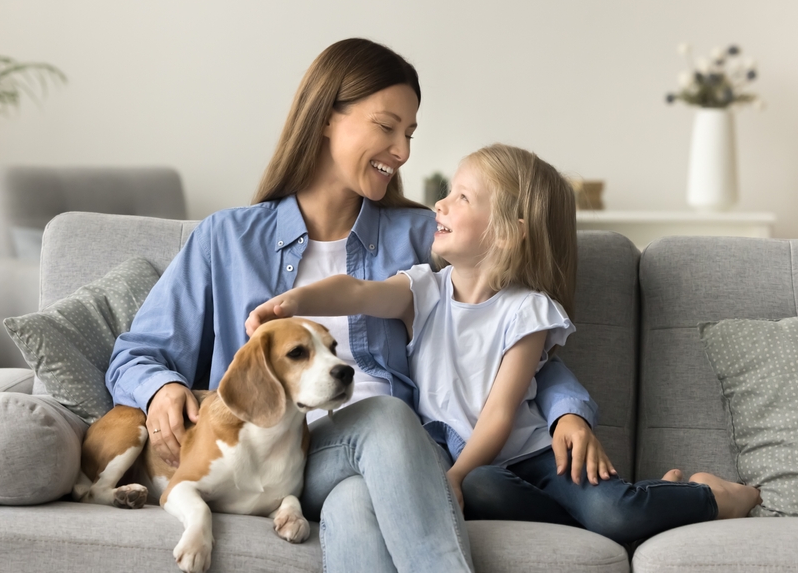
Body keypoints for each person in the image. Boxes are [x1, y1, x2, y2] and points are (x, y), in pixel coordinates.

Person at [107, 39, 612, 573]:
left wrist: (566, 413)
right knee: (384, 423)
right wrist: (161, 389)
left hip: (389, 464)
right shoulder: (226, 240)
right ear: (326, 119)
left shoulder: (426, 234)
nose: (401, 151)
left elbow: (508, 332)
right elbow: (136, 353)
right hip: (277, 457)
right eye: (387, 127)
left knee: (359, 495)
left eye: (411, 134)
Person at [247, 143, 763, 544]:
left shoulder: (527, 310)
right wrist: (294, 301)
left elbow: (498, 415)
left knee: (612, 511)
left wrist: (453, 475)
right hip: (486, 472)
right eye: (447, 192)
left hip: (539, 458)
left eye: (462, 197)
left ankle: (715, 497)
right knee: (483, 489)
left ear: (509, 233)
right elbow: (357, 291)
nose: (439, 204)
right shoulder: (423, 290)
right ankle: (656, 501)